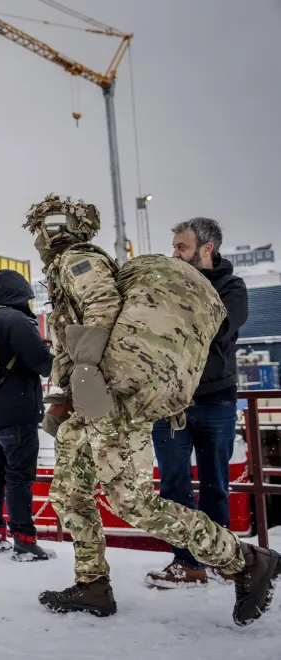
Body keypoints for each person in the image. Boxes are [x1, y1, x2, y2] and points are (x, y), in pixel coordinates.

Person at [24, 193, 279, 626]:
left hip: (110, 397)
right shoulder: (70, 263)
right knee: (69, 492)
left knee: (131, 500)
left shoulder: (77, 259)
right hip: (93, 397)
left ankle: (244, 561)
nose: (39, 236)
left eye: (43, 228)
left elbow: (102, 307)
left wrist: (85, 379)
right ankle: (92, 583)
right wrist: (68, 394)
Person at [145, 218, 249, 587]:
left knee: (215, 484)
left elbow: (217, 327)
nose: (174, 254)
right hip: (169, 402)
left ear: (207, 249)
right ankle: (187, 563)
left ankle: (220, 559)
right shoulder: (166, 285)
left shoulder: (232, 288)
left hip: (215, 401)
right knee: (174, 486)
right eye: (174, 246)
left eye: (182, 247)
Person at [0, 270, 54, 560]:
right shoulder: (13, 319)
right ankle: (24, 541)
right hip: (16, 411)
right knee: (19, 476)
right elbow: (44, 364)